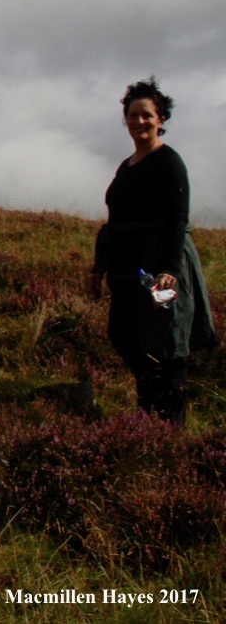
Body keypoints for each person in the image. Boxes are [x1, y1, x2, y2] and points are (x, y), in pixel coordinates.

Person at [89, 78, 215, 426]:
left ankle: (171, 427)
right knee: (126, 336)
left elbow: (178, 218)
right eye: (133, 115)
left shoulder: (169, 162)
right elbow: (115, 220)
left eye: (147, 115)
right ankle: (148, 416)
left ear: (161, 119)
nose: (139, 121)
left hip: (160, 270)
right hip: (128, 271)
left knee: (165, 341)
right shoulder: (127, 165)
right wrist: (99, 266)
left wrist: (170, 268)